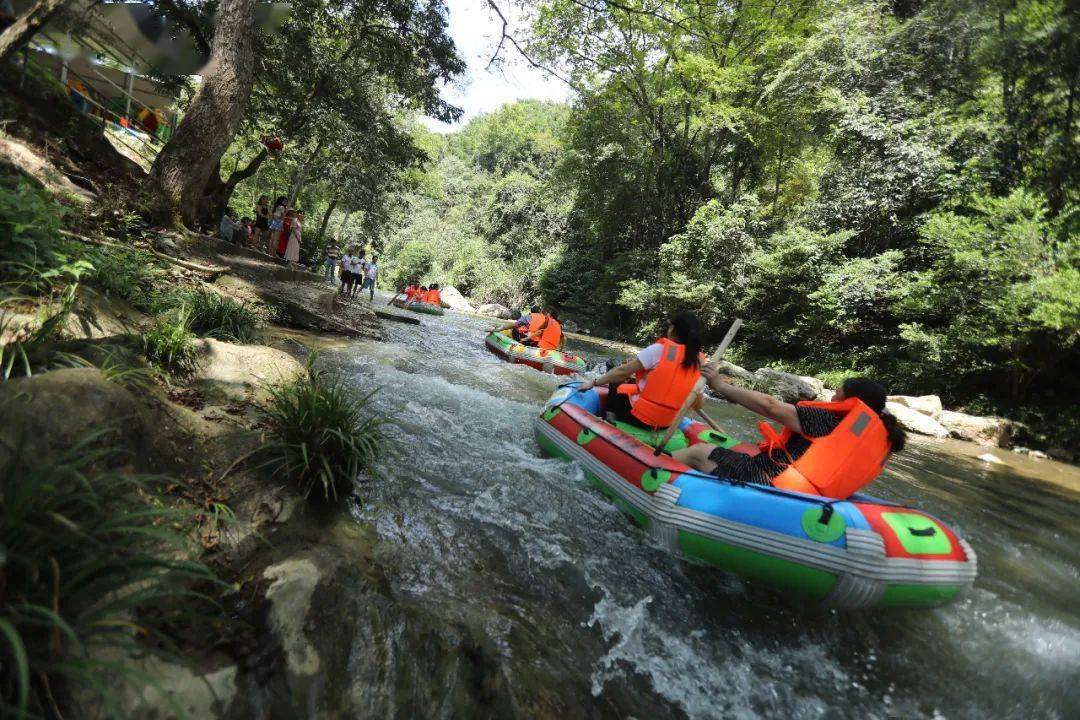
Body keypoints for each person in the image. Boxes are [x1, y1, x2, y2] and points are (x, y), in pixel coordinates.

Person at [672, 376, 906, 498]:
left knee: (699, 451)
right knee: (729, 453)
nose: (833, 395)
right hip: (811, 497)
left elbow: (770, 406)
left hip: (770, 482)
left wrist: (720, 386)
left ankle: (649, 471)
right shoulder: (881, 437)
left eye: (838, 392)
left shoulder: (829, 420)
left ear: (850, 400)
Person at [578, 311, 705, 430]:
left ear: (673, 329)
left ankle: (610, 417)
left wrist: (593, 382)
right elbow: (698, 404)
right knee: (631, 381)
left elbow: (622, 372)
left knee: (617, 376)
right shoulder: (699, 362)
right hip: (666, 423)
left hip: (639, 418)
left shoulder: (659, 350)